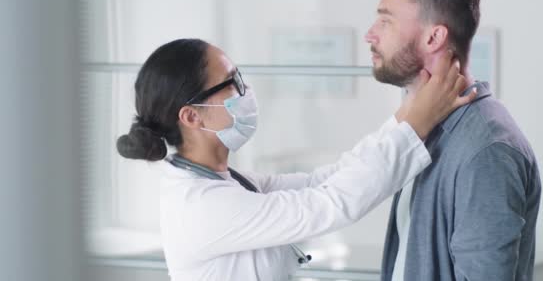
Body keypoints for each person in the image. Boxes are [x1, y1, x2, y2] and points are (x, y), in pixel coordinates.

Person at [116, 38, 474, 280]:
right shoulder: (201, 206)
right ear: (192, 116)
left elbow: (328, 180)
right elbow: (329, 205)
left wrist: (409, 115)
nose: (245, 90)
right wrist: (416, 124)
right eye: (231, 82)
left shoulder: (229, 182)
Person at [365, 0, 542, 281]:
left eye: (385, 21)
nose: (370, 34)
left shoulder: (486, 150)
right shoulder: (422, 130)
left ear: (434, 37)